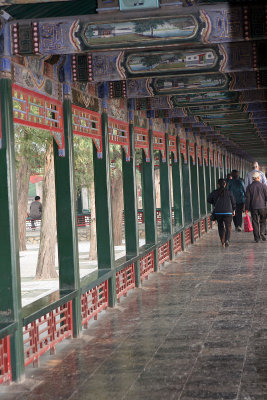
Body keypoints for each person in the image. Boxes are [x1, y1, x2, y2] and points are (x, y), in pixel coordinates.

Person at [207, 179, 236, 248]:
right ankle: (227, 240)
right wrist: (233, 209)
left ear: (218, 185)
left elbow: (208, 199)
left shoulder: (214, 192)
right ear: (225, 184)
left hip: (218, 212)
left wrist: (214, 203)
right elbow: (233, 202)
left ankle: (222, 241)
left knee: (220, 226)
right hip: (228, 212)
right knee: (228, 226)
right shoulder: (229, 192)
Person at [245, 172, 267, 243]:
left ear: (253, 178)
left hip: (253, 207)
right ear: (258, 178)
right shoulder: (263, 186)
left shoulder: (249, 187)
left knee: (255, 222)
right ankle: (262, 233)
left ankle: (257, 238)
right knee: (263, 221)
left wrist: (247, 208)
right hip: (263, 206)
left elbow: (248, 199)